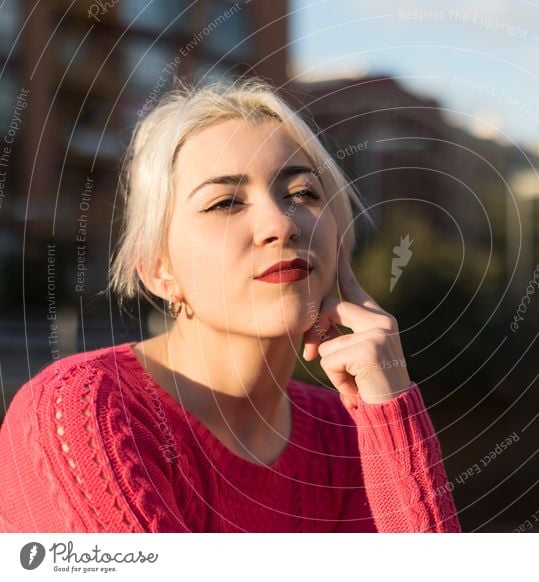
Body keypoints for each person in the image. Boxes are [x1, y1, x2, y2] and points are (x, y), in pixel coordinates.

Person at [0, 78, 461, 533]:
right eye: (224, 202)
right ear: (160, 270)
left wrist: (392, 409)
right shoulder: (82, 413)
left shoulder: (345, 434)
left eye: (302, 193)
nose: (280, 224)